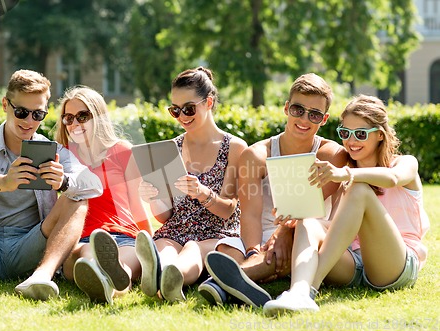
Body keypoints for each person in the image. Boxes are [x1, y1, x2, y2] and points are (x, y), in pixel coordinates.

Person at [0, 70, 103, 307]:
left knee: (77, 198)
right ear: (6, 104)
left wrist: (64, 181)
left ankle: (42, 277)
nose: (29, 122)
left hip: (31, 247)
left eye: (38, 114)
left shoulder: (53, 150)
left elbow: (93, 185)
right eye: (21, 112)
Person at [262, 94, 430, 315]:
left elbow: (392, 178)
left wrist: (344, 174)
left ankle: (310, 288)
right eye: (345, 133)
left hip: (394, 265)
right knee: (309, 221)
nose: (351, 141)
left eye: (360, 134)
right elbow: (338, 232)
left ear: (380, 135)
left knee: (360, 188)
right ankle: (299, 292)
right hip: (355, 264)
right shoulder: (345, 180)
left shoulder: (404, 163)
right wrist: (295, 221)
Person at [201, 73, 348, 307]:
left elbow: (308, 208)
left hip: (306, 234)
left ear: (324, 119)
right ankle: (245, 276)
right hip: (256, 236)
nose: (304, 119)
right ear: (287, 108)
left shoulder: (332, 156)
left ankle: (223, 284)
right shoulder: (256, 155)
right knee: (233, 248)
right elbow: (248, 214)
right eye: (298, 110)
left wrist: (282, 233)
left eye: (314, 114)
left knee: (285, 248)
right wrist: (254, 251)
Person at [135, 66, 248, 302]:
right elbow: (166, 217)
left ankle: (169, 276)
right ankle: (162, 274)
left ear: (208, 102)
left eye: (188, 108)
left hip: (216, 232)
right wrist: (153, 196)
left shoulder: (234, 147)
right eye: (175, 110)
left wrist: (202, 193)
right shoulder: (170, 148)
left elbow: (228, 209)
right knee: (165, 248)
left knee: (193, 250)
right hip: (176, 229)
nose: (182, 117)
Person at [55, 85, 152, 304]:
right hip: (82, 238)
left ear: (98, 116)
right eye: (68, 118)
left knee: (125, 265)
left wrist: (150, 242)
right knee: (87, 254)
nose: (75, 124)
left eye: (82, 116)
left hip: (124, 235)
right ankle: (97, 273)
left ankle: (108, 286)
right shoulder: (63, 156)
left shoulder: (122, 150)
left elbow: (136, 204)